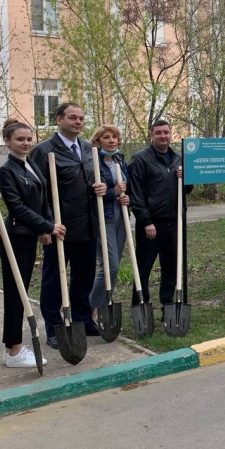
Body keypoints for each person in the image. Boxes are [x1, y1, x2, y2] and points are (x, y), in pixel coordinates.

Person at [30, 103, 106, 349]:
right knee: (55, 279)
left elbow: (95, 177)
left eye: (82, 118)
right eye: (73, 118)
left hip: (87, 224)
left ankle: (83, 319)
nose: (79, 122)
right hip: (60, 227)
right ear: (59, 119)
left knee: (83, 276)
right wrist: (45, 225)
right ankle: (54, 327)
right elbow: (37, 191)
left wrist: (101, 186)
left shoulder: (87, 148)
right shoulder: (44, 151)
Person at [0, 119, 61, 369]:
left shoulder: (30, 164)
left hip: (29, 236)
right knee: (15, 293)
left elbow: (41, 197)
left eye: (28, 139)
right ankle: (13, 351)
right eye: (20, 139)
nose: (25, 143)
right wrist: (48, 226)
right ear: (7, 142)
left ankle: (13, 347)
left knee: (21, 292)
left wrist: (43, 227)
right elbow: (18, 208)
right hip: (15, 238)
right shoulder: (7, 171)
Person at [128, 120, 192, 310]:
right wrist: (146, 221)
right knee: (144, 267)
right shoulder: (140, 159)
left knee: (171, 266)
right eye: (158, 133)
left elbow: (187, 190)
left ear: (171, 134)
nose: (163, 136)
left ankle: (168, 303)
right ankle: (141, 304)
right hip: (151, 224)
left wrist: (185, 178)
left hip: (174, 222)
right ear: (151, 135)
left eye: (166, 132)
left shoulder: (178, 158)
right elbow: (135, 193)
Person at [87, 125, 130, 317]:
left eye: (115, 137)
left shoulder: (120, 161)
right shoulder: (93, 164)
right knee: (110, 266)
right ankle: (92, 307)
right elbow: (94, 195)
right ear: (98, 141)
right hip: (104, 219)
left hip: (121, 218)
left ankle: (105, 309)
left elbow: (126, 189)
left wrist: (126, 198)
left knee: (115, 266)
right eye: (106, 137)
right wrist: (115, 192)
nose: (112, 140)